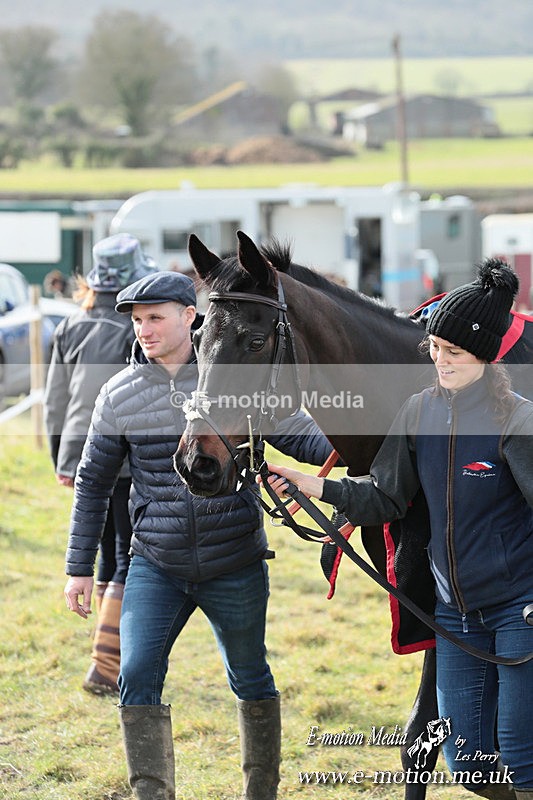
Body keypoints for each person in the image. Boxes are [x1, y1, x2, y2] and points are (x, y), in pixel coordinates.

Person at [265, 258, 533, 799]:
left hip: (518, 609)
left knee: (520, 765)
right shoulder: (418, 413)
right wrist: (312, 487)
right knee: (472, 768)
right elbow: (385, 495)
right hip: (455, 613)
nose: (440, 361)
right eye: (434, 350)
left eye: (453, 352)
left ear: (485, 355)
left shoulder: (519, 422)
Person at [62, 270, 334, 800]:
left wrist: (370, 452)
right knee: (136, 673)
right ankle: (151, 793)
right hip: (156, 564)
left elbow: (305, 437)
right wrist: (77, 568)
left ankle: (261, 792)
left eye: (155, 318)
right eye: (138, 321)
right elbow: (93, 486)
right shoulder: (117, 395)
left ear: (191, 316)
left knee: (250, 674)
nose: (144, 329)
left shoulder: (238, 378)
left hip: (234, 561)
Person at [45, 233, 157, 695]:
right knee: (126, 555)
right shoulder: (134, 327)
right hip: (128, 457)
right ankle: (106, 667)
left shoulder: (70, 326)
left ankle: (104, 661)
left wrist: (63, 458)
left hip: (82, 454)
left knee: (109, 553)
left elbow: (55, 401)